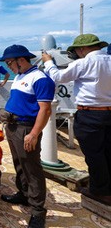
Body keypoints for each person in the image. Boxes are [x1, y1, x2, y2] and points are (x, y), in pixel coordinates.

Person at [42, 33, 111, 206]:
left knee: (94, 155)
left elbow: (58, 77)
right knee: (108, 153)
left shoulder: (84, 63)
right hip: (109, 114)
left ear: (82, 49)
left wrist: (48, 62)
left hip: (90, 116)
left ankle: (100, 191)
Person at [0, 44, 55, 228]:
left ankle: (38, 211)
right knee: (19, 164)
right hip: (13, 127)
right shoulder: (20, 76)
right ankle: (23, 194)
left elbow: (45, 110)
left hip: (25, 129)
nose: (8, 67)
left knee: (32, 169)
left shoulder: (40, 79)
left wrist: (33, 134)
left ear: (20, 60)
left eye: (9, 63)